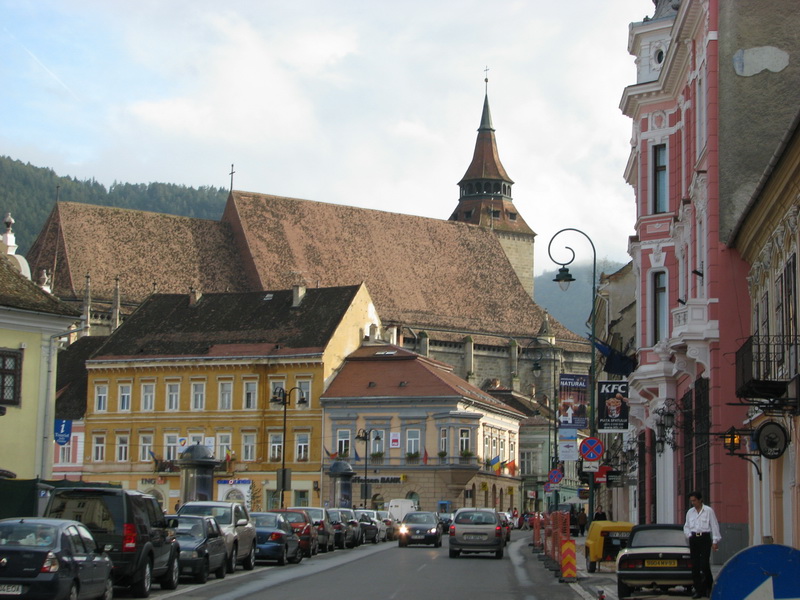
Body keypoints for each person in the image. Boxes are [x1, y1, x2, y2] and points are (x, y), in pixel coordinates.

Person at [683, 490, 721, 599]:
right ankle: (698, 590)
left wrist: (715, 541)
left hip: (704, 538)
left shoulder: (708, 511)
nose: (693, 503)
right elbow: (686, 526)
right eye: (691, 501)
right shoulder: (690, 512)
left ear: (700, 500)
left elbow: (714, 525)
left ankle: (709, 586)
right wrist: (689, 535)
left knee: (704, 565)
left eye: (694, 500)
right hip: (694, 538)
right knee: (695, 566)